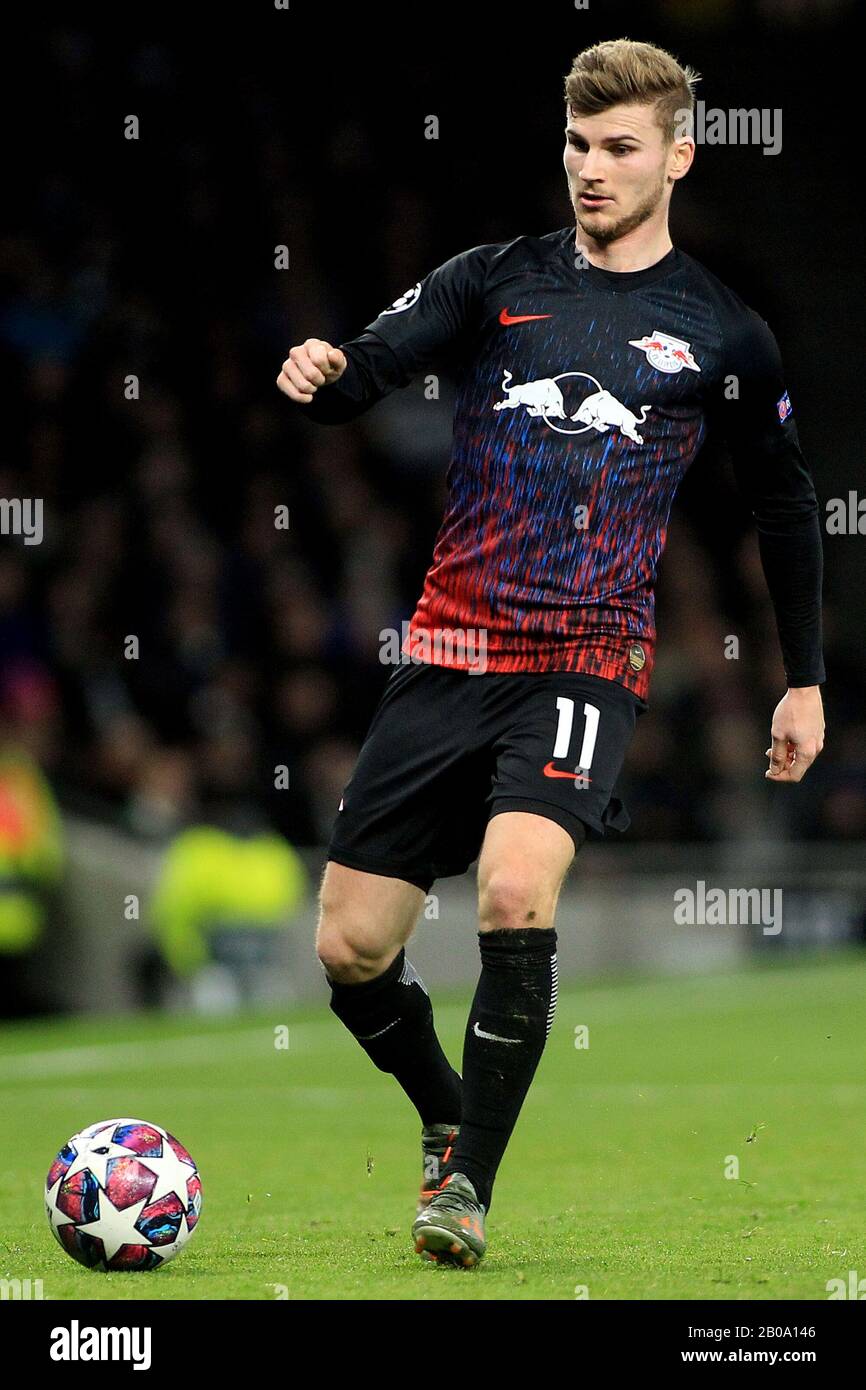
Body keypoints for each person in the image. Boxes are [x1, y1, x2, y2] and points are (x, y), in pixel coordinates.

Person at [275, 37, 825, 1267]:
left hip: (584, 657)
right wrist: (323, 370)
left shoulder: (722, 333)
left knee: (517, 888)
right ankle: (443, 1115)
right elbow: (367, 371)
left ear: (676, 157)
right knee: (351, 948)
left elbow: (783, 504)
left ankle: (462, 1190)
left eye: (619, 147)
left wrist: (802, 677)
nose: (590, 167)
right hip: (447, 650)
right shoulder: (494, 279)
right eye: (576, 144)